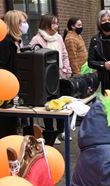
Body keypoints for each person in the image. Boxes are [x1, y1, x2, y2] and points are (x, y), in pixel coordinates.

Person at [29, 14, 72, 145]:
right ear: (46, 25)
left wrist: (67, 68)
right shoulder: (37, 39)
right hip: (45, 79)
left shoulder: (59, 37)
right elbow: (32, 57)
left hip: (60, 75)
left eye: (57, 23)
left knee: (60, 104)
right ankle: (50, 132)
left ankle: (61, 131)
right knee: (48, 106)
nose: (56, 26)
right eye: (54, 23)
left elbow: (64, 54)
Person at [0, 10, 29, 141]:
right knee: (3, 127)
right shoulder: (4, 42)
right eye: (23, 22)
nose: (26, 24)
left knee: (12, 125)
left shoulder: (16, 41)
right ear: (14, 24)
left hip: (11, 90)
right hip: (1, 92)